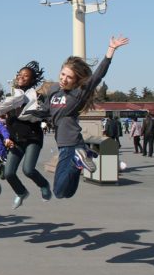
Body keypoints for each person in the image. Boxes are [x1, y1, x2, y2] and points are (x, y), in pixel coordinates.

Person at [47, 35, 129, 199]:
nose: (64, 79)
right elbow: (47, 111)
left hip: (70, 143)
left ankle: (77, 160)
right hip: (69, 143)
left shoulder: (79, 93)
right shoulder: (53, 89)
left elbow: (98, 75)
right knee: (68, 193)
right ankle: (79, 162)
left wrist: (110, 50)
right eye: (62, 74)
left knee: (58, 192)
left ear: (76, 80)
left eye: (69, 77)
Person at [0, 61, 52, 208]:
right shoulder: (11, 96)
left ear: (32, 80)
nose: (22, 77)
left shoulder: (36, 96)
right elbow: (0, 113)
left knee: (28, 169)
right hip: (16, 139)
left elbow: (45, 113)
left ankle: (44, 185)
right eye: (20, 74)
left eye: (26, 76)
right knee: (9, 173)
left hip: (33, 137)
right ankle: (21, 192)